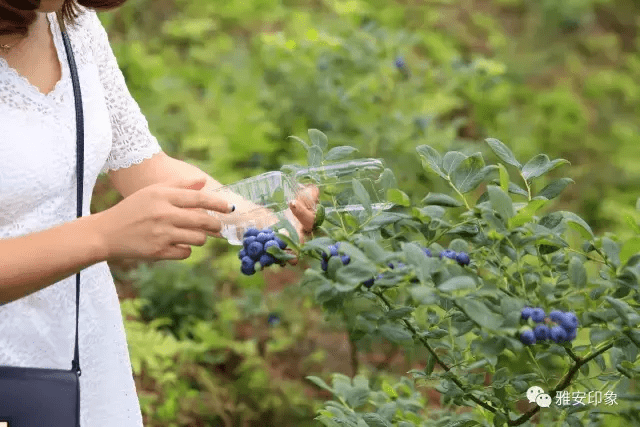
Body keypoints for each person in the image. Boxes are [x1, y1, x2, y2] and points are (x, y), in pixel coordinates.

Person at [0, 1, 318, 425]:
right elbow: (104, 231)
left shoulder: (70, 23)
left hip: (82, 351)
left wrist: (264, 223)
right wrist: (103, 235)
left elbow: (145, 167)